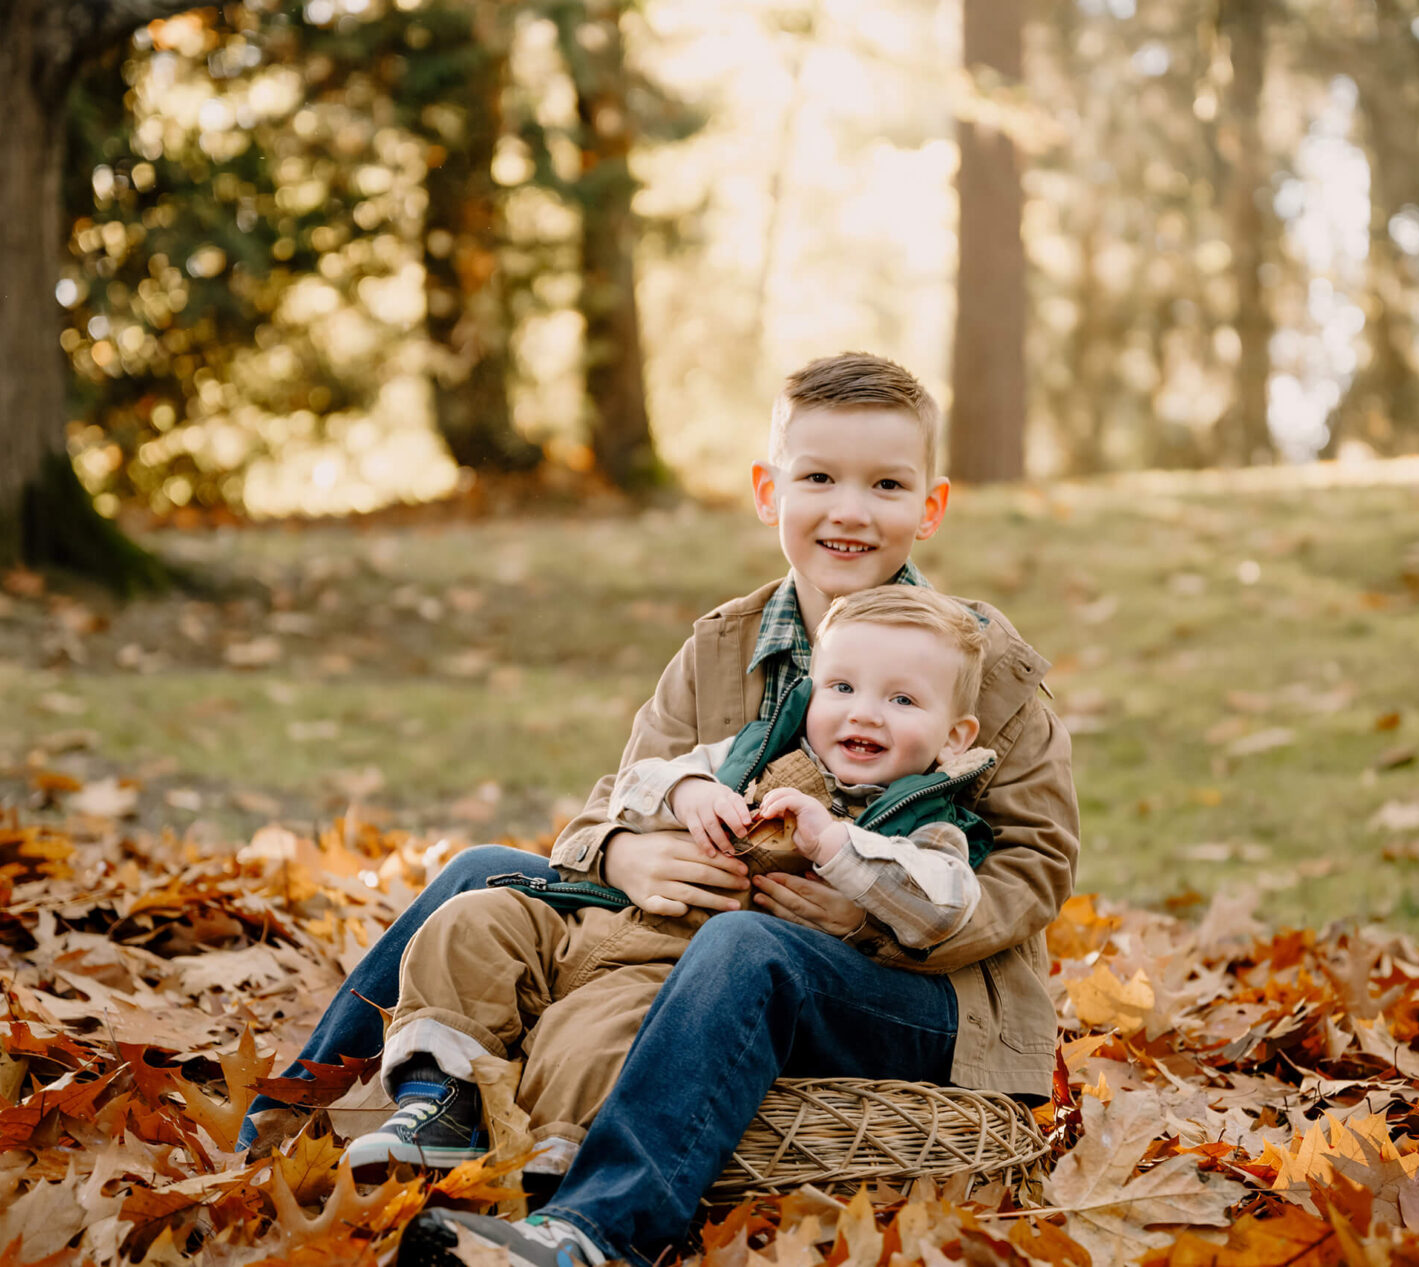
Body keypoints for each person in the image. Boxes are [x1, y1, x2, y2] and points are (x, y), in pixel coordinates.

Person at [396, 352, 1078, 1267]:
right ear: (770, 490)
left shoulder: (981, 665)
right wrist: (628, 852)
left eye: (885, 483)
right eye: (819, 477)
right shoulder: (724, 645)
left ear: (930, 505)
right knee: (481, 874)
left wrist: (869, 912)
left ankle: (592, 1233)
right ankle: (332, 1118)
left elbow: (1036, 864)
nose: (849, 509)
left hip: (915, 988)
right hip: (707, 930)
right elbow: (623, 790)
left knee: (743, 945)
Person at [345, 585, 996, 1173]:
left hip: (667, 970)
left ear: (953, 738)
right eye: (842, 688)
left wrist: (833, 843)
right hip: (592, 923)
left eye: (902, 698)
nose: (866, 714)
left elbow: (941, 904)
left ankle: (549, 1154)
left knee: (591, 1036)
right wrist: (686, 791)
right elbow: (635, 780)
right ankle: (438, 1098)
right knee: (471, 923)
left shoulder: (925, 820)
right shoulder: (753, 754)